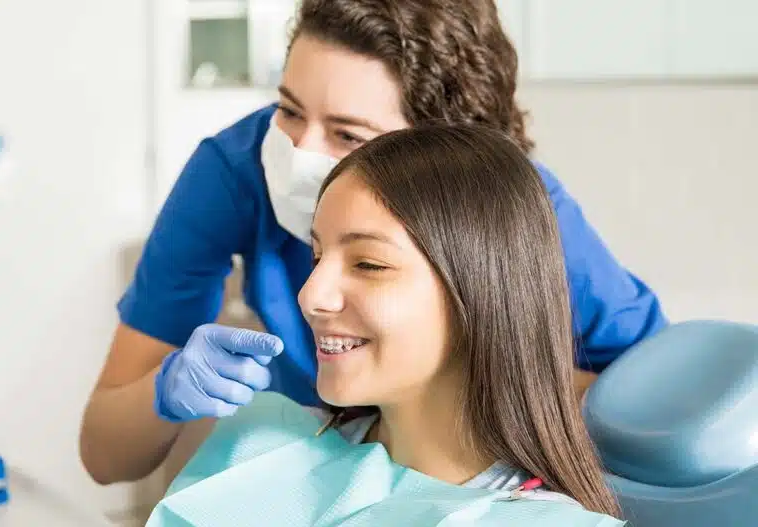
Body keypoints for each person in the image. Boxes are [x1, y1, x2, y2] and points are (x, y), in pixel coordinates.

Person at [79, 0, 666, 485]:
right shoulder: (235, 171)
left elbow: (663, 409)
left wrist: (498, 382)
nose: (299, 152)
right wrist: (166, 390)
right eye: (287, 109)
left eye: (347, 133)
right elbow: (105, 456)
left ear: (447, 162)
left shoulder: (520, 214)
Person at [146, 124, 624, 526]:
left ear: (479, 293)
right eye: (316, 257)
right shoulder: (260, 443)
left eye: (369, 264)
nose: (311, 296)